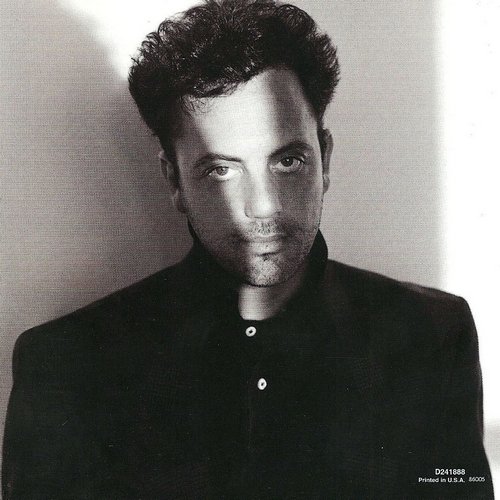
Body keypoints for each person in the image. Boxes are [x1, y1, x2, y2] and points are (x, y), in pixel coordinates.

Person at [2, 0, 493, 498]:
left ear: (324, 158)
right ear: (174, 180)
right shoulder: (67, 366)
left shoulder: (431, 336)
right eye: (221, 169)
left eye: (287, 161)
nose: (264, 206)